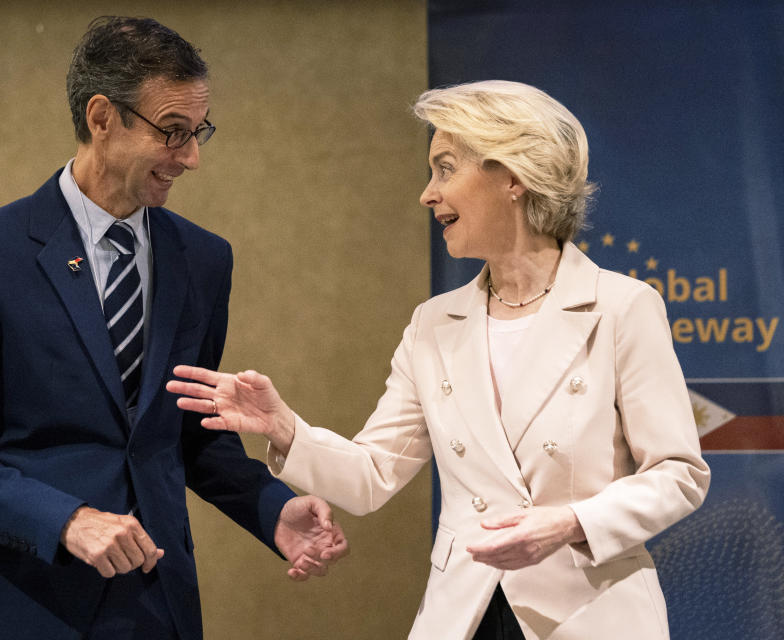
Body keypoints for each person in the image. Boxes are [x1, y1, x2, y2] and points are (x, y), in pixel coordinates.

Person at [167, 80, 710, 640]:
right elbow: (371, 476)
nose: (428, 194)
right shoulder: (434, 324)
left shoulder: (623, 308)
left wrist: (570, 523)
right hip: (464, 616)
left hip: (591, 616)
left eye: (446, 168)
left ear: (514, 177)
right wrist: (284, 428)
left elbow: (677, 474)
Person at [0, 16, 347, 640]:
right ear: (102, 117)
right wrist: (66, 519)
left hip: (155, 609)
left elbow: (188, 433)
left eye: (198, 133)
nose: (191, 158)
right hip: (17, 604)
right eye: (173, 132)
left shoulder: (205, 259)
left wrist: (272, 507)